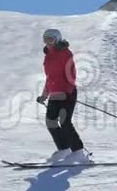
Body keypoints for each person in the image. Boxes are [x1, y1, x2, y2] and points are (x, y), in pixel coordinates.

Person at [37, 29, 89, 164]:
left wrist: (68, 91)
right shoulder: (47, 57)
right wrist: (44, 95)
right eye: (45, 40)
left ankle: (78, 152)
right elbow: (49, 78)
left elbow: (72, 73)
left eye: (50, 40)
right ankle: (63, 149)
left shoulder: (65, 53)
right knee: (50, 122)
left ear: (57, 39)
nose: (48, 43)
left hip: (67, 93)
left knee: (65, 123)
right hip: (54, 95)